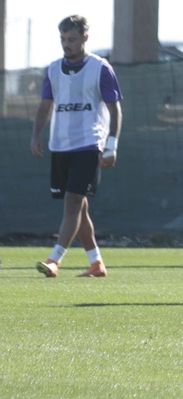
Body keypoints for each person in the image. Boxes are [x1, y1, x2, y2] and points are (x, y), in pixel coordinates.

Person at [31, 15, 122, 278]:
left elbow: (115, 110)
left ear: (85, 38)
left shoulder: (100, 68)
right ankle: (96, 264)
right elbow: (45, 106)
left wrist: (111, 144)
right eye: (63, 39)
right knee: (79, 207)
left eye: (71, 39)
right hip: (60, 145)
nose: (66, 44)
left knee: (72, 202)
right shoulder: (52, 69)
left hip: (89, 144)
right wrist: (36, 135)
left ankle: (54, 260)